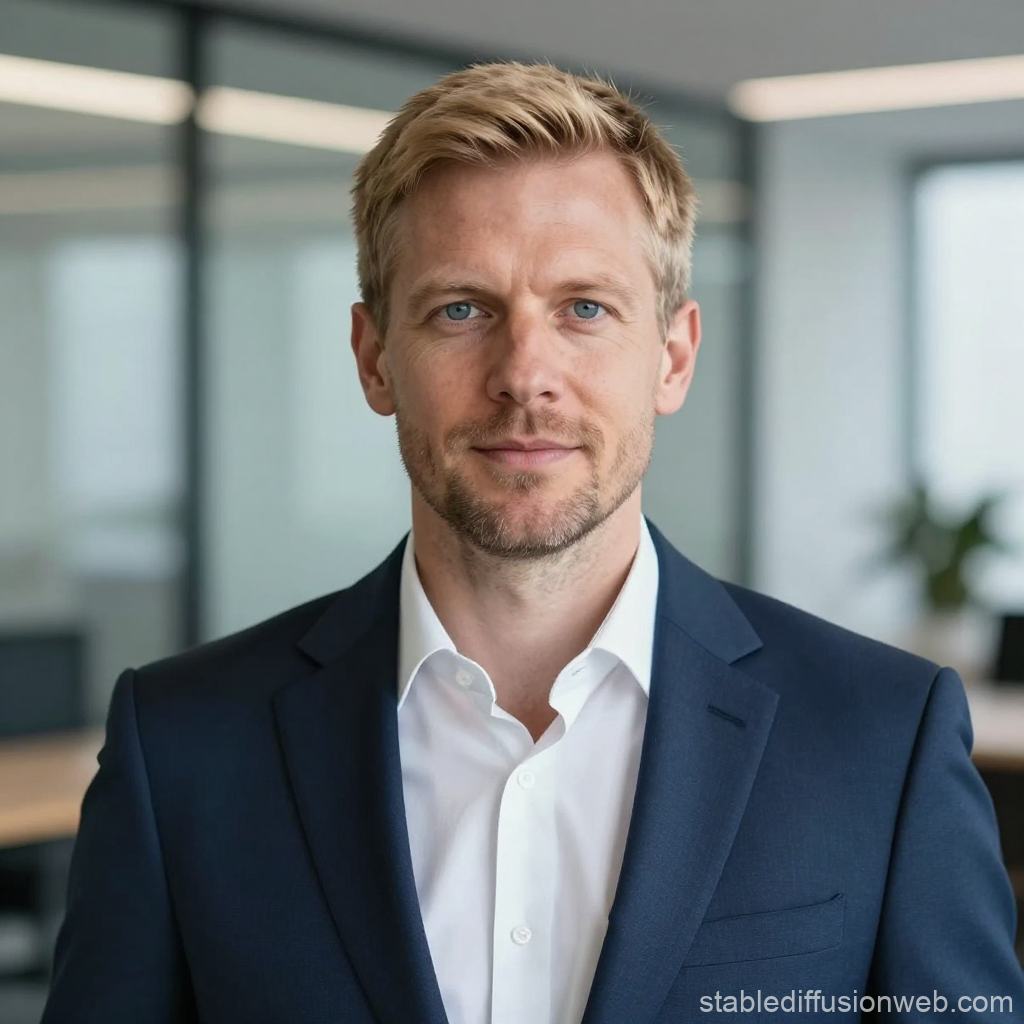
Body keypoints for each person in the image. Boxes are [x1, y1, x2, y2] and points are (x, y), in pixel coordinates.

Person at [42, 62, 1022, 1024]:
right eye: (460, 309)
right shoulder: (182, 748)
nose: (524, 374)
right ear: (375, 357)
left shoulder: (878, 739)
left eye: (584, 308)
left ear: (672, 356)